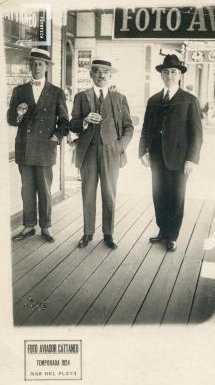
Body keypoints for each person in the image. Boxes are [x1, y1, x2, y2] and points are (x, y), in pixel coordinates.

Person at [139, 54, 203, 251]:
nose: (169, 75)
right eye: (166, 72)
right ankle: (162, 231)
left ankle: (172, 235)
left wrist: (191, 159)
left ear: (180, 76)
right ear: (161, 75)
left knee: (176, 196)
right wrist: (143, 151)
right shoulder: (154, 100)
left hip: (179, 158)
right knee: (159, 194)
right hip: (157, 157)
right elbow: (146, 128)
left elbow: (197, 134)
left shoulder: (189, 100)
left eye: (174, 72)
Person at [70, 58, 133, 250]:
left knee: (109, 193)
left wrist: (119, 146)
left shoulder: (119, 98)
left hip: (110, 152)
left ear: (110, 75)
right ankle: (87, 233)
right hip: (88, 151)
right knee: (87, 193)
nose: (101, 75)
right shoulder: (81, 97)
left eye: (105, 72)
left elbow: (128, 127)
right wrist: (84, 121)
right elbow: (72, 124)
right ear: (91, 75)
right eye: (97, 71)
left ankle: (108, 234)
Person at [8, 48, 69, 242]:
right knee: (27, 189)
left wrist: (56, 138)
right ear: (29, 66)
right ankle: (28, 226)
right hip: (24, 147)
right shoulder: (19, 90)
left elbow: (64, 122)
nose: (36, 67)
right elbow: (10, 119)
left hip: (45, 147)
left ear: (47, 67)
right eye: (33, 63)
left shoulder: (56, 92)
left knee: (44, 189)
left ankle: (46, 226)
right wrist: (18, 114)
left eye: (40, 64)